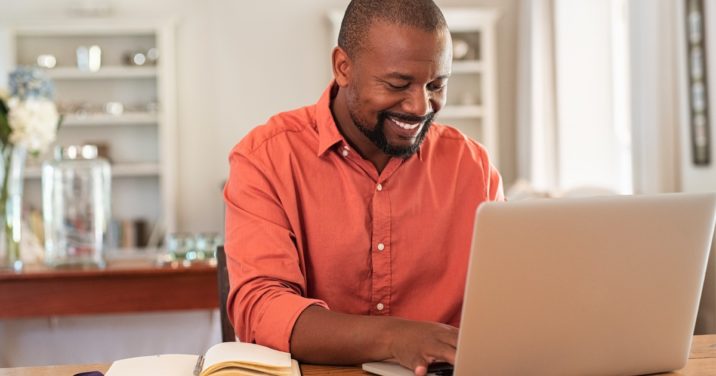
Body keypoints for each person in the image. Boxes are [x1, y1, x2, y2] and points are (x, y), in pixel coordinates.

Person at [223, 0, 504, 374]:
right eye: (397, 84)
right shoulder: (265, 158)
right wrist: (395, 338)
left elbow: (507, 301)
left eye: (436, 85)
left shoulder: (473, 167)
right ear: (343, 67)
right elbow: (261, 308)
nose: (421, 106)